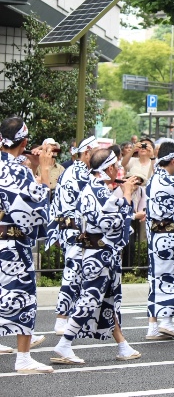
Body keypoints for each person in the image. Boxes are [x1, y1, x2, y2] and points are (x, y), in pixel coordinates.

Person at [52, 149, 140, 365]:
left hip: (94, 253)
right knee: (90, 299)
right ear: (109, 168)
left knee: (107, 299)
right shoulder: (99, 190)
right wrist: (127, 196)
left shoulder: (92, 187)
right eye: (117, 166)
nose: (119, 169)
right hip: (98, 254)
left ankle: (123, 345)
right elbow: (112, 224)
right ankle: (64, 344)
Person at [0, 116, 54, 373]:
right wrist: (43, 171)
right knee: (23, 296)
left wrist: (28, 160)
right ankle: (23, 358)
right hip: (12, 244)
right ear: (24, 141)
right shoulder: (17, 171)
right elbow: (34, 211)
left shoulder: (8, 165)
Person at [46, 136, 99, 335]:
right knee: (72, 274)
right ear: (86, 153)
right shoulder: (78, 173)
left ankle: (70, 318)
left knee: (76, 274)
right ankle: (62, 318)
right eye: (94, 153)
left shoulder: (75, 171)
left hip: (72, 230)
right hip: (75, 231)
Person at [144, 141, 174, 340]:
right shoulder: (171, 182)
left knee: (156, 280)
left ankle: (153, 326)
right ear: (172, 160)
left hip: (155, 237)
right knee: (170, 279)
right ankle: (166, 322)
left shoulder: (154, 178)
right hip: (168, 237)